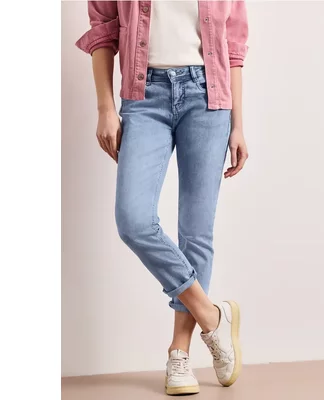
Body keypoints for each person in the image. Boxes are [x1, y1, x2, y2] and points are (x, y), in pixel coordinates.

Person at [76, 0, 249, 395]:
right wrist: (105, 107)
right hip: (144, 97)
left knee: (196, 231)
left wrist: (238, 125)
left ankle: (180, 353)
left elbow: (233, 45)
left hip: (209, 96)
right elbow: (103, 29)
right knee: (134, 220)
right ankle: (211, 316)